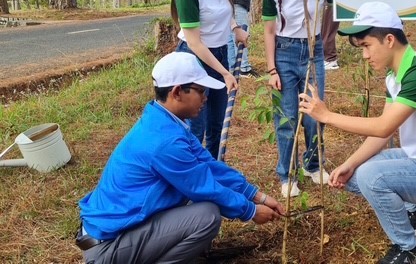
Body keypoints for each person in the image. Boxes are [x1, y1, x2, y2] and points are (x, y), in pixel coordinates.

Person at [299, 2, 416, 264]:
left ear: (389, 39)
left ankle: (409, 251)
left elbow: (383, 127)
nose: (365, 56)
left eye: (367, 46)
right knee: (356, 174)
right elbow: (382, 133)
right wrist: (349, 164)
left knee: (372, 177)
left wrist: (326, 116)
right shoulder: (395, 75)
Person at [77, 52, 284, 264]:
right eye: (200, 91)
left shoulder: (164, 121)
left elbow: (209, 166)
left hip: (117, 233)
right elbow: (204, 187)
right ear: (177, 92)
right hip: (107, 247)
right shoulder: (165, 142)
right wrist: (249, 211)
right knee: (207, 216)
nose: (205, 97)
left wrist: (258, 196)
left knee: (199, 206)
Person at [171, 0, 248, 158]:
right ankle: (191, 174)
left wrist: (235, 28)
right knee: (196, 127)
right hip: (195, 60)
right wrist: (225, 73)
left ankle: (213, 169)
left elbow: (225, 9)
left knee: (217, 124)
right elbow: (194, 42)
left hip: (219, 54)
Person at [262, 0, 332, 198]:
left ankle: (313, 165)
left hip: (313, 52)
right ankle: (286, 174)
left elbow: (329, 7)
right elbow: (269, 31)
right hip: (285, 54)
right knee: (287, 117)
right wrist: (271, 69)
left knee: (315, 113)